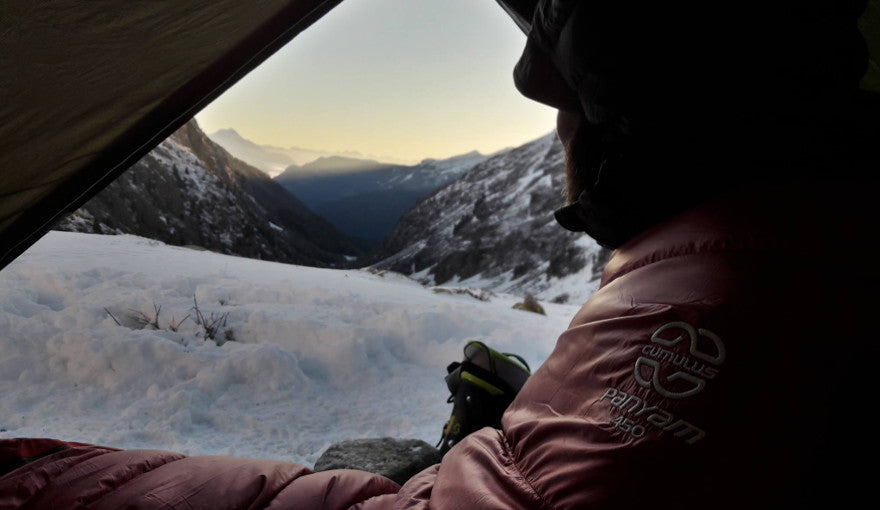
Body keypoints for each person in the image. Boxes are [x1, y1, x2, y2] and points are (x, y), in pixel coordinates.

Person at [2, 1, 878, 508]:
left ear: (627, 124)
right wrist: (523, 423)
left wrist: (51, 479)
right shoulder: (800, 244)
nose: (548, 116)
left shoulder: (730, 297)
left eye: (565, 98)